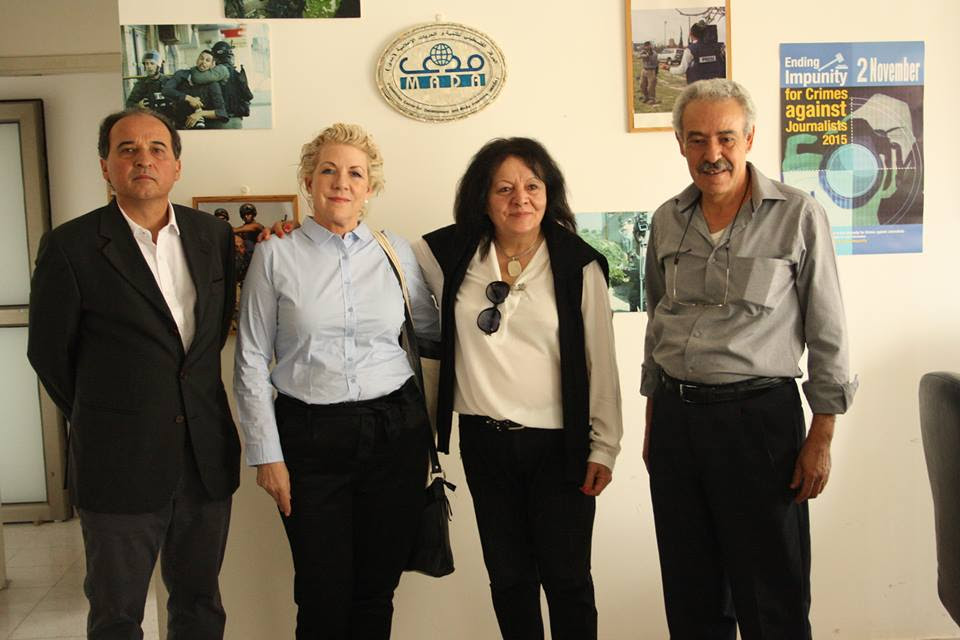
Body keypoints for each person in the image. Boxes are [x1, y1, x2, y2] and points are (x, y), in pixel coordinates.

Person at [641, 78, 858, 640]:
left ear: (750, 139)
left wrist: (822, 434)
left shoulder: (798, 215)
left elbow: (828, 330)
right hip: (676, 423)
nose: (712, 153)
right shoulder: (666, 219)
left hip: (759, 424)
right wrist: (653, 420)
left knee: (772, 598)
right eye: (697, 139)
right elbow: (657, 320)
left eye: (726, 138)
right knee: (691, 593)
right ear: (680, 143)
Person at [27, 107, 240, 639]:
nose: (143, 159)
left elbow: (209, 339)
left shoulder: (212, 237)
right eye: (127, 150)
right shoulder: (71, 246)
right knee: (117, 616)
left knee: (200, 605)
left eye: (156, 149)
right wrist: (108, 415)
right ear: (106, 166)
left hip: (204, 458)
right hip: (118, 461)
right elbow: (49, 354)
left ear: (176, 166)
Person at [234, 123, 440, 639]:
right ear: (309, 181)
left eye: (355, 173)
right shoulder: (275, 254)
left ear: (370, 187)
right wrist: (266, 455)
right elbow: (251, 358)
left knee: (376, 590)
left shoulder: (395, 252)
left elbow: (429, 332)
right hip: (309, 439)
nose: (341, 182)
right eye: (328, 170)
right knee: (321, 592)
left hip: (395, 432)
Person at [413, 137, 623, 640]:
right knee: (509, 580)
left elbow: (600, 360)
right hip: (484, 441)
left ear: (549, 193)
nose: (520, 199)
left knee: (568, 580)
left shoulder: (578, 264)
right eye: (504, 188)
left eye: (532, 186)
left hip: (560, 446)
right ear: (483, 198)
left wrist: (605, 446)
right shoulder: (446, 255)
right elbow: (383, 266)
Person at [189, 41, 254, 129]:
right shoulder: (234, 72)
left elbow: (198, 78)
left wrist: (195, 67)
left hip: (223, 122)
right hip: (236, 121)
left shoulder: (222, 69)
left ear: (216, 57)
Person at [163, 50, 228, 129]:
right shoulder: (181, 74)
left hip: (202, 128)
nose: (203, 62)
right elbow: (166, 90)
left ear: (212, 65)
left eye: (207, 60)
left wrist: (200, 114)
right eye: (201, 58)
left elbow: (221, 112)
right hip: (179, 124)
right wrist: (188, 98)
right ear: (197, 60)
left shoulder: (213, 84)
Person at [125, 50, 170, 116]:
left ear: (158, 66)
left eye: (152, 63)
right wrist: (138, 105)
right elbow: (129, 104)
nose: (149, 66)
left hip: (168, 116)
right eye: (146, 64)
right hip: (149, 117)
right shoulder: (141, 84)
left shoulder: (169, 82)